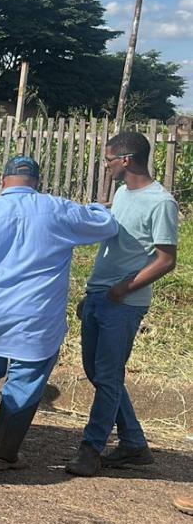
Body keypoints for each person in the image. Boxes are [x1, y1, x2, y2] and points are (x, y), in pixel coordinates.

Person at [0, 156, 117, 469]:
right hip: (36, 317)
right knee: (26, 381)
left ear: (3, 182)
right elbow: (106, 225)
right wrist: (99, 206)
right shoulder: (58, 209)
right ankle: (2, 454)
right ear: (37, 183)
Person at [68, 131, 180, 477]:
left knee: (108, 375)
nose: (107, 167)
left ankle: (91, 448)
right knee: (98, 373)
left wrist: (123, 289)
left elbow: (166, 259)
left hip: (124, 303)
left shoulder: (161, 202)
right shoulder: (121, 194)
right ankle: (133, 444)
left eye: (109, 160)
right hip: (100, 296)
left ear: (126, 159)